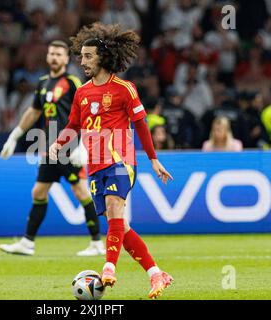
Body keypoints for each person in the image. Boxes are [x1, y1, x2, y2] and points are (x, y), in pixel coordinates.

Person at [49, 23, 174, 299]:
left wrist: (153, 159)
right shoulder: (82, 92)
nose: (82, 62)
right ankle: (156, 274)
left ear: (103, 58)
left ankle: (108, 267)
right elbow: (73, 125)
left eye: (88, 56)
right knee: (121, 227)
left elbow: (141, 125)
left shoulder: (124, 89)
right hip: (94, 165)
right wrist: (57, 144)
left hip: (121, 160)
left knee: (115, 209)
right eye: (81, 57)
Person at [0, 40, 105, 257]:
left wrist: (83, 144)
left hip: (69, 147)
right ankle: (28, 243)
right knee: (38, 191)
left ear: (66, 59)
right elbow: (34, 112)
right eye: (52, 53)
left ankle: (97, 243)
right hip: (49, 148)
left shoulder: (73, 82)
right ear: (47, 57)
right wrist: (14, 135)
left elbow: (88, 112)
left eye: (59, 54)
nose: (54, 57)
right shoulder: (43, 82)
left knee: (81, 191)